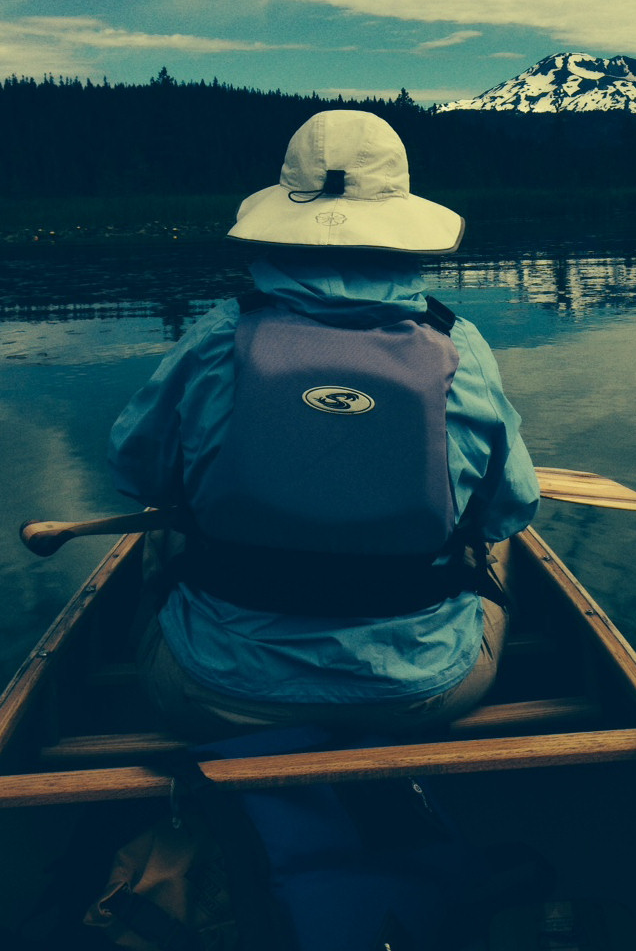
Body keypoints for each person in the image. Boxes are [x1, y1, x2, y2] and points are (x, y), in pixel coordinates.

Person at [108, 109, 540, 741]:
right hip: (425, 691)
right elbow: (510, 509)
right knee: (498, 536)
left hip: (214, 690)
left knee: (163, 521)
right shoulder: (459, 347)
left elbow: (136, 471)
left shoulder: (216, 337)